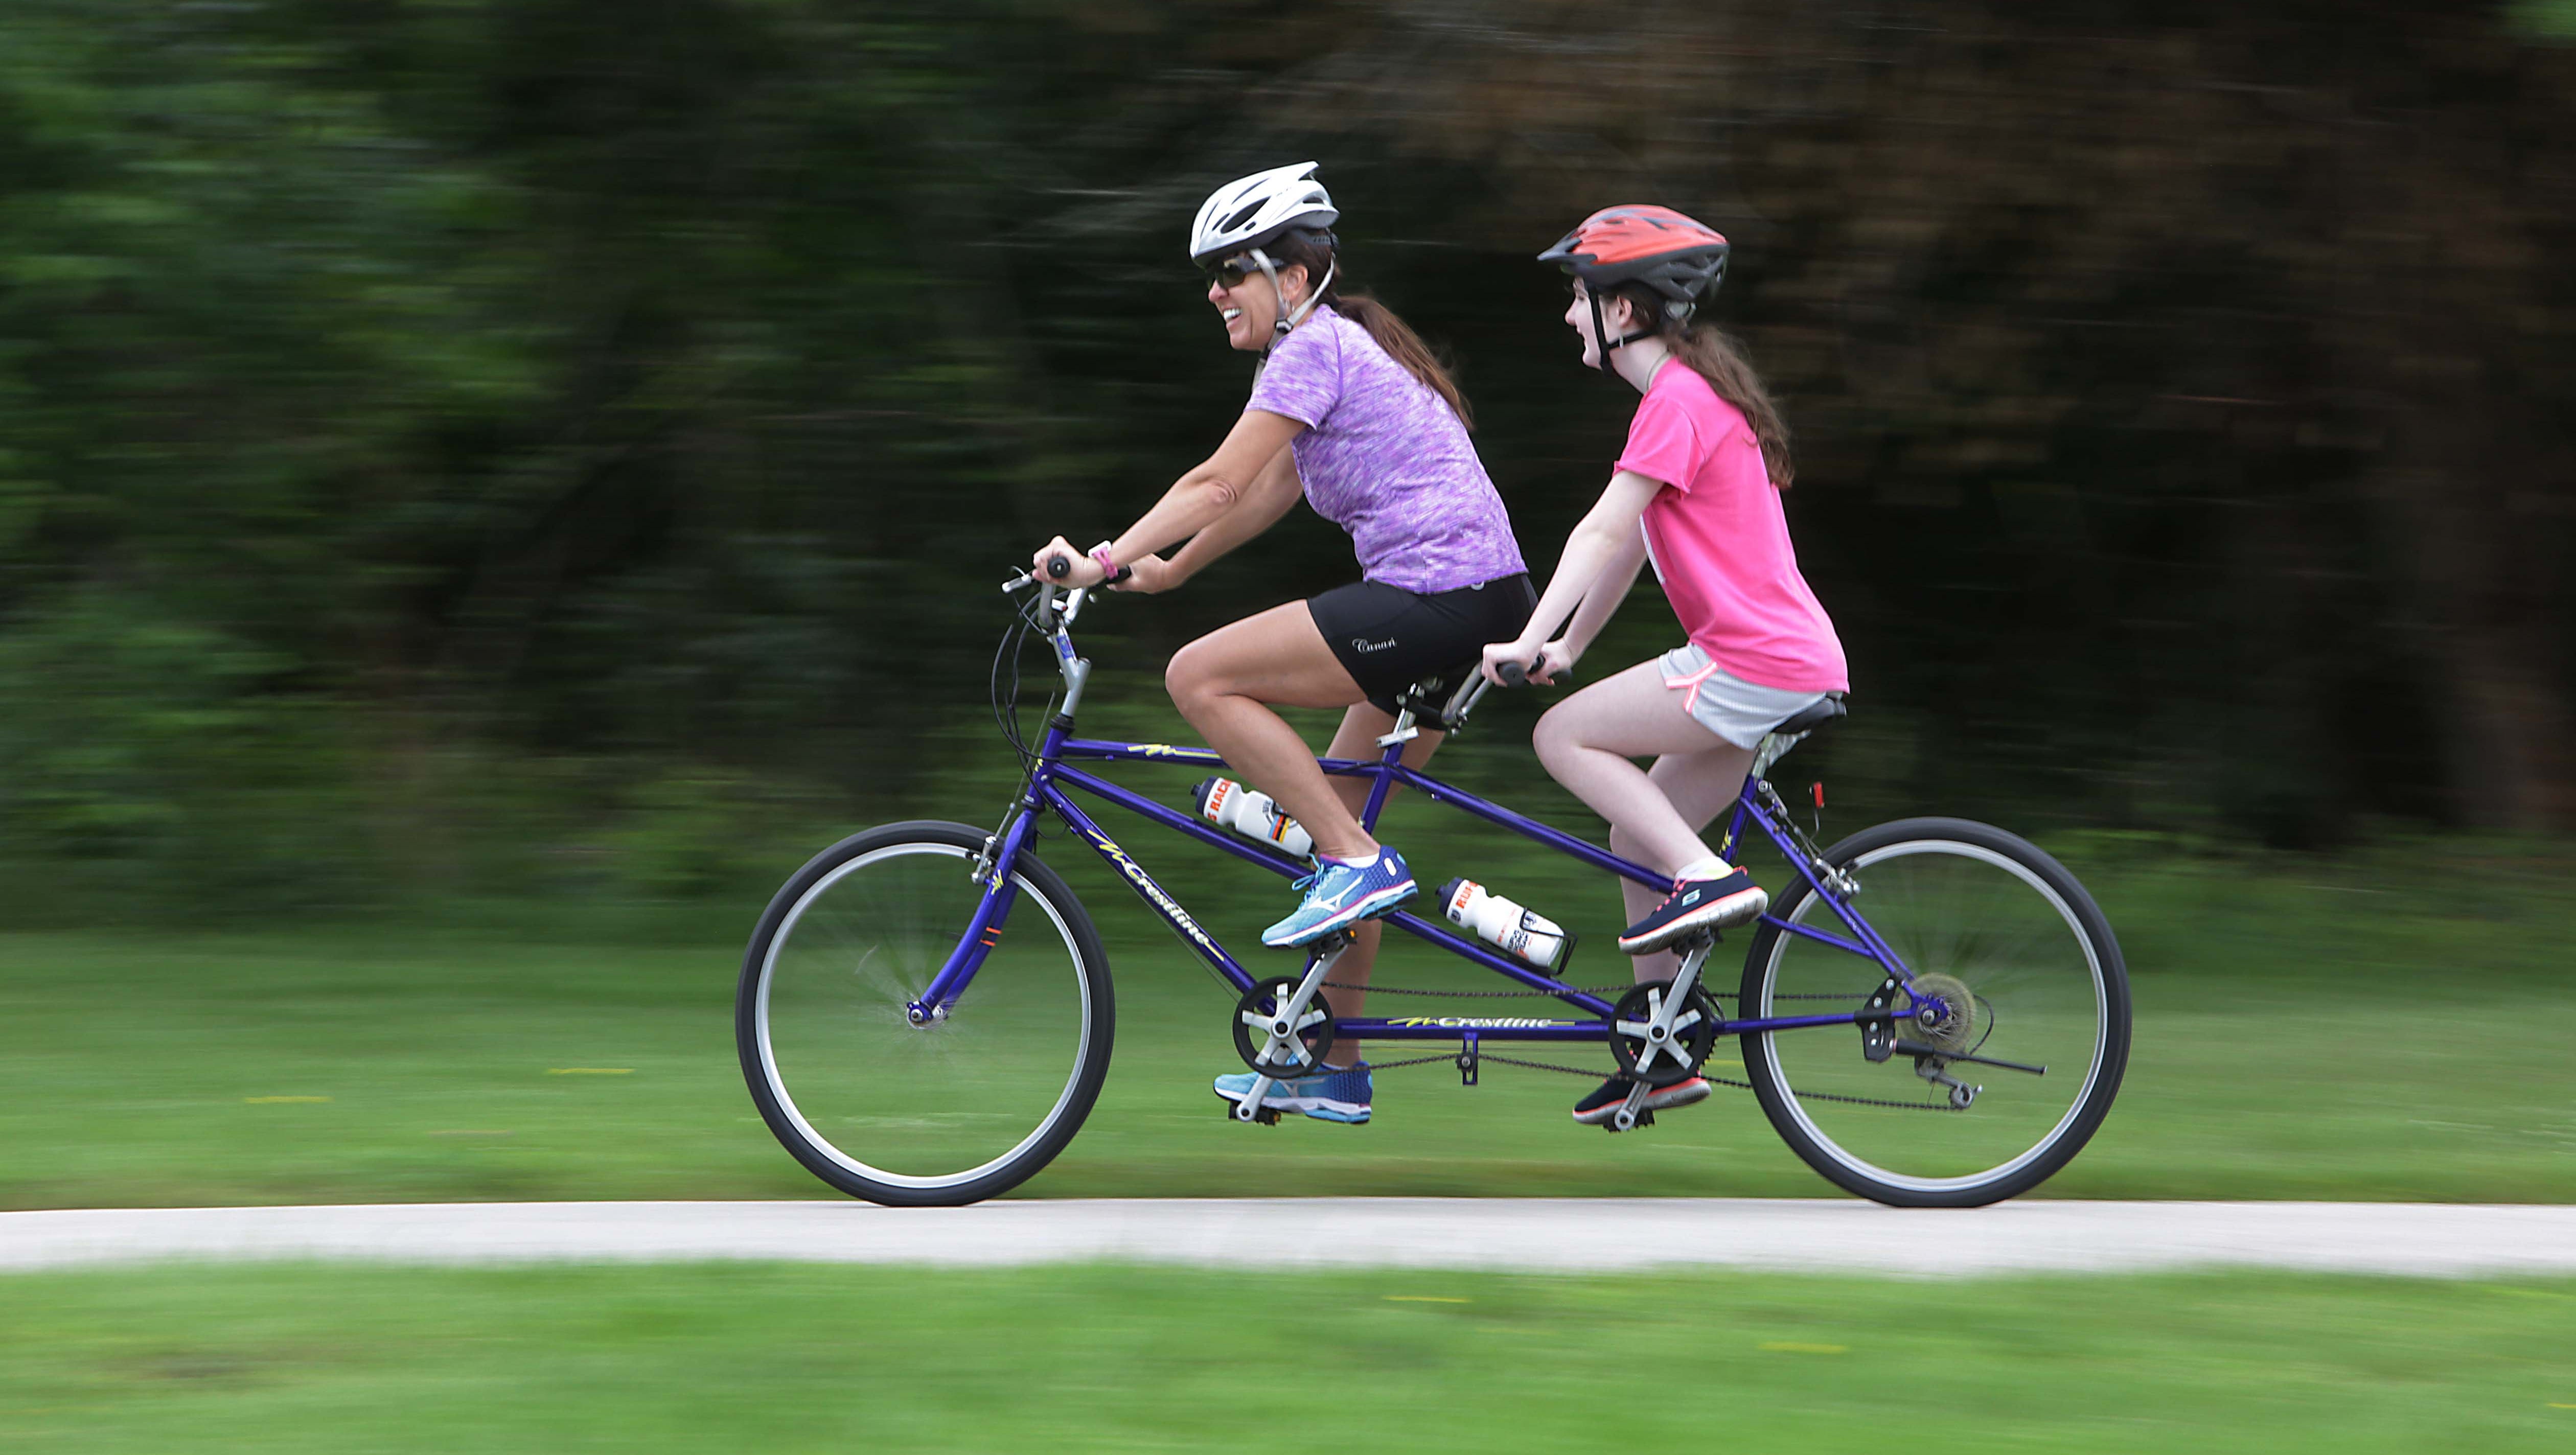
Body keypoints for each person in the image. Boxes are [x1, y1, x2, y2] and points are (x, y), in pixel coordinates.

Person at [1031, 162, 1532, 1125]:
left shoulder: (1316, 347)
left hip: (1439, 594)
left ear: (1293, 279)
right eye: (1209, 276)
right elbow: (1264, 492)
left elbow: (1215, 481)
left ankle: (1353, 863)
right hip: (1473, 600)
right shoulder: (1318, 356)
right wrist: (1169, 571)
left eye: (1233, 271)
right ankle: (1337, 1063)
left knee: (1200, 677)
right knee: (1339, 817)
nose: (1215, 291)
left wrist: (1101, 560)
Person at [1480, 205, 1848, 1127]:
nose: (1570, 315)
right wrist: (1566, 645)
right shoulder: (1689, 399)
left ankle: (1707, 880)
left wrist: (1527, 639)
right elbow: (1634, 547)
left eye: (1580, 296)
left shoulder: (1677, 399)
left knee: (1562, 733)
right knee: (1635, 837)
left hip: (1751, 661)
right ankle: (1666, 1044)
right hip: (1784, 659)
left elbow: (1599, 528)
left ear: (1627, 311)